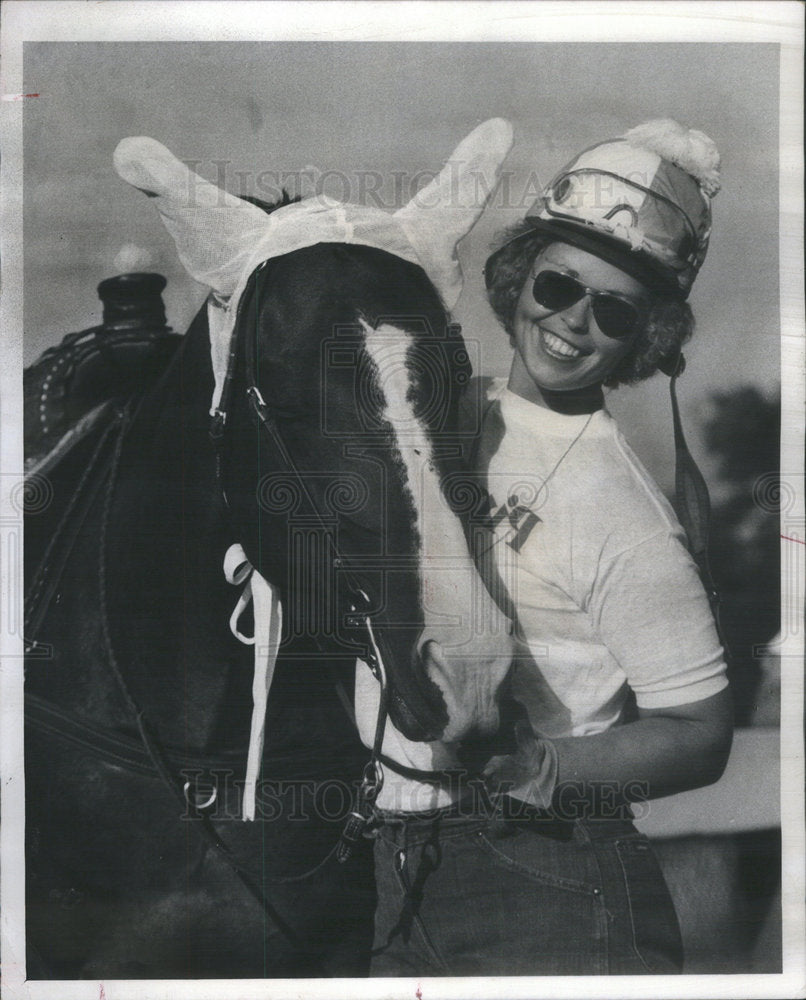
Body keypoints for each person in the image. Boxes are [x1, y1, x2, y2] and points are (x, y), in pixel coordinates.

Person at [359, 119, 733, 976]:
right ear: (519, 276)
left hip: (551, 879)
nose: (573, 321)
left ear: (647, 338)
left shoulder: (625, 511)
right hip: (392, 870)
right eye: (559, 285)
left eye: (614, 310)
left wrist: (547, 767)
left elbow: (703, 733)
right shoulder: (441, 410)